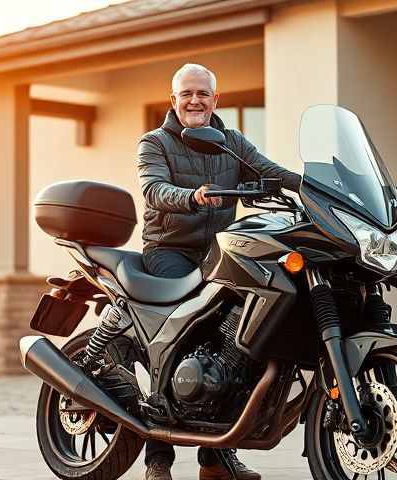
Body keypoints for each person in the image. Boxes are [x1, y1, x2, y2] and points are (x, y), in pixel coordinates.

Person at [136, 63, 301, 480]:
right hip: (170, 250)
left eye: (202, 94)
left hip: (222, 254)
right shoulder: (154, 143)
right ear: (173, 100)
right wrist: (191, 196)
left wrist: (324, 190)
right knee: (182, 335)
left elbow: (272, 173)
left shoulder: (230, 144)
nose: (195, 101)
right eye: (186, 94)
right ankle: (158, 458)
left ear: (216, 99)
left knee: (241, 342)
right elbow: (154, 190)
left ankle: (214, 456)